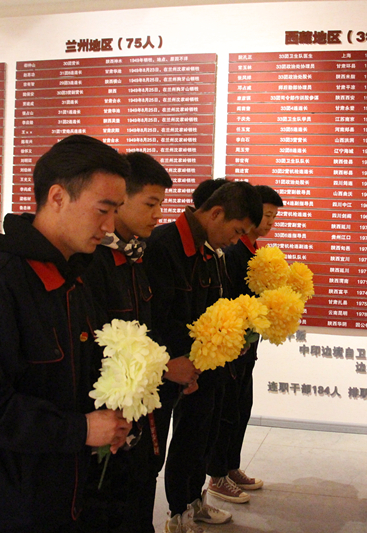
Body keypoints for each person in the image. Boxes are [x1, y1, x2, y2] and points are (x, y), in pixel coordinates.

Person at [0, 134, 133, 533]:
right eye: (102, 210)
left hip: (62, 493)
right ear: (57, 197)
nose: (109, 226)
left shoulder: (74, 279)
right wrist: (82, 429)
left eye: (116, 211)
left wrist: (111, 420)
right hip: (5, 507)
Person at [144, 181, 262, 533]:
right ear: (216, 213)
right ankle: (176, 513)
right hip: (168, 368)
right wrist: (176, 363)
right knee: (151, 457)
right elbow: (155, 318)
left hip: (200, 367)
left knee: (198, 437)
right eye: (236, 230)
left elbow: (212, 310)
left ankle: (191, 503)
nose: (235, 240)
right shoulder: (163, 245)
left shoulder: (210, 252)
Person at [78, 151, 182, 533]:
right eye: (150, 204)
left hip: (136, 415)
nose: (158, 215)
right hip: (105, 420)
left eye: (161, 205)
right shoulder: (92, 263)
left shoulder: (136, 256)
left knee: (138, 500)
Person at [206, 185, 283, 504]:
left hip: (247, 344)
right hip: (230, 344)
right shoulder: (234, 251)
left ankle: (230, 466)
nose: (270, 222)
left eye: (274, 217)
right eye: (266, 215)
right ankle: (217, 475)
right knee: (225, 411)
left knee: (241, 407)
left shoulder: (255, 252)